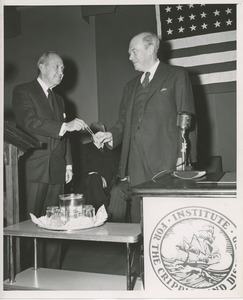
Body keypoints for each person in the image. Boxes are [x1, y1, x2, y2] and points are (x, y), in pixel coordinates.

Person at [95, 32, 197, 223]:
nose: (130, 57)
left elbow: (188, 119)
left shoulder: (176, 75)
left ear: (151, 49)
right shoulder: (130, 86)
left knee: (167, 215)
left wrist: (184, 159)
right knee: (138, 215)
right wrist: (111, 135)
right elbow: (124, 122)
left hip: (167, 159)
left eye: (134, 51)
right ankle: (139, 252)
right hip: (136, 162)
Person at [12, 51, 86, 269]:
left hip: (57, 169)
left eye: (63, 69)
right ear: (42, 66)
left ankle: (52, 271)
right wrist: (65, 126)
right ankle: (23, 271)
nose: (61, 73)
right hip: (34, 169)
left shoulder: (60, 100)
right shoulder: (23, 91)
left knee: (55, 223)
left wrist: (69, 163)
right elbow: (29, 122)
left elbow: (66, 136)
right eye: (57, 67)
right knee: (29, 223)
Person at [80, 122, 118, 213]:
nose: (99, 137)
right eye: (97, 135)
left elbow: (117, 169)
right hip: (91, 185)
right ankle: (103, 209)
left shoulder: (111, 149)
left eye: (102, 135)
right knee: (94, 178)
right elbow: (80, 168)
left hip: (109, 186)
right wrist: (97, 176)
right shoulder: (84, 149)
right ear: (92, 136)